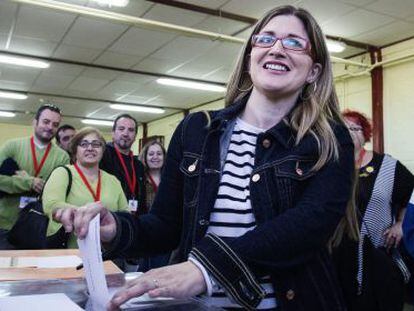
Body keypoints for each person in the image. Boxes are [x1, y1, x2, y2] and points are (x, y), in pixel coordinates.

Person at [53, 5, 355, 311]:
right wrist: (115, 229)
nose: (277, 49)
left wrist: (206, 268)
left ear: (314, 71)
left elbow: (307, 227)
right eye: (266, 39)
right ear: (251, 56)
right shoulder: (196, 129)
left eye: (293, 43)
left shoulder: (328, 139)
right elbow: (165, 225)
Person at [333, 110, 414, 311]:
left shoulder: (387, 166)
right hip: (336, 253)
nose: (350, 132)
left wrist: (400, 224)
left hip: (377, 252)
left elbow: (410, 194)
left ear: (366, 133)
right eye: (344, 128)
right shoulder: (329, 166)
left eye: (355, 128)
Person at [42, 127, 129, 248]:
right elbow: (51, 205)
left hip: (107, 254)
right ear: (75, 150)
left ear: (102, 150)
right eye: (84, 144)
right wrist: (89, 215)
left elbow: (125, 214)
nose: (90, 148)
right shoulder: (62, 173)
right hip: (70, 251)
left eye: (96, 144)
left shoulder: (113, 180)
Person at [0, 104, 70, 249]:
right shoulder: (12, 146)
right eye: (46, 121)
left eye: (55, 124)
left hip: (39, 227)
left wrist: (19, 179)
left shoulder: (62, 157)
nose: (50, 127)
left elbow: (57, 192)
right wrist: (29, 182)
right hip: (6, 225)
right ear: (35, 122)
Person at [100, 114, 145, 215]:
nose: (125, 133)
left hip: (132, 219)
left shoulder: (138, 165)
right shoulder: (103, 157)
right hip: (109, 216)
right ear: (113, 133)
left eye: (131, 130)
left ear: (135, 136)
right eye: (121, 129)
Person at [138, 140, 169, 271]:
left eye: (159, 154)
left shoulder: (171, 179)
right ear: (145, 157)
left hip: (166, 234)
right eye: (151, 154)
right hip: (145, 232)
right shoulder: (139, 179)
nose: (155, 157)